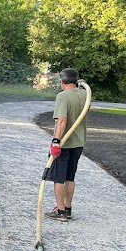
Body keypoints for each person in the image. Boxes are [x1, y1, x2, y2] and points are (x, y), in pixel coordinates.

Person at [45, 67, 88, 221]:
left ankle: (60, 211)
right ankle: (68, 208)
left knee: (58, 178)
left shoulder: (62, 96)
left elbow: (62, 120)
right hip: (79, 142)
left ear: (62, 81)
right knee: (70, 177)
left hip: (64, 142)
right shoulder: (85, 94)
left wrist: (56, 142)